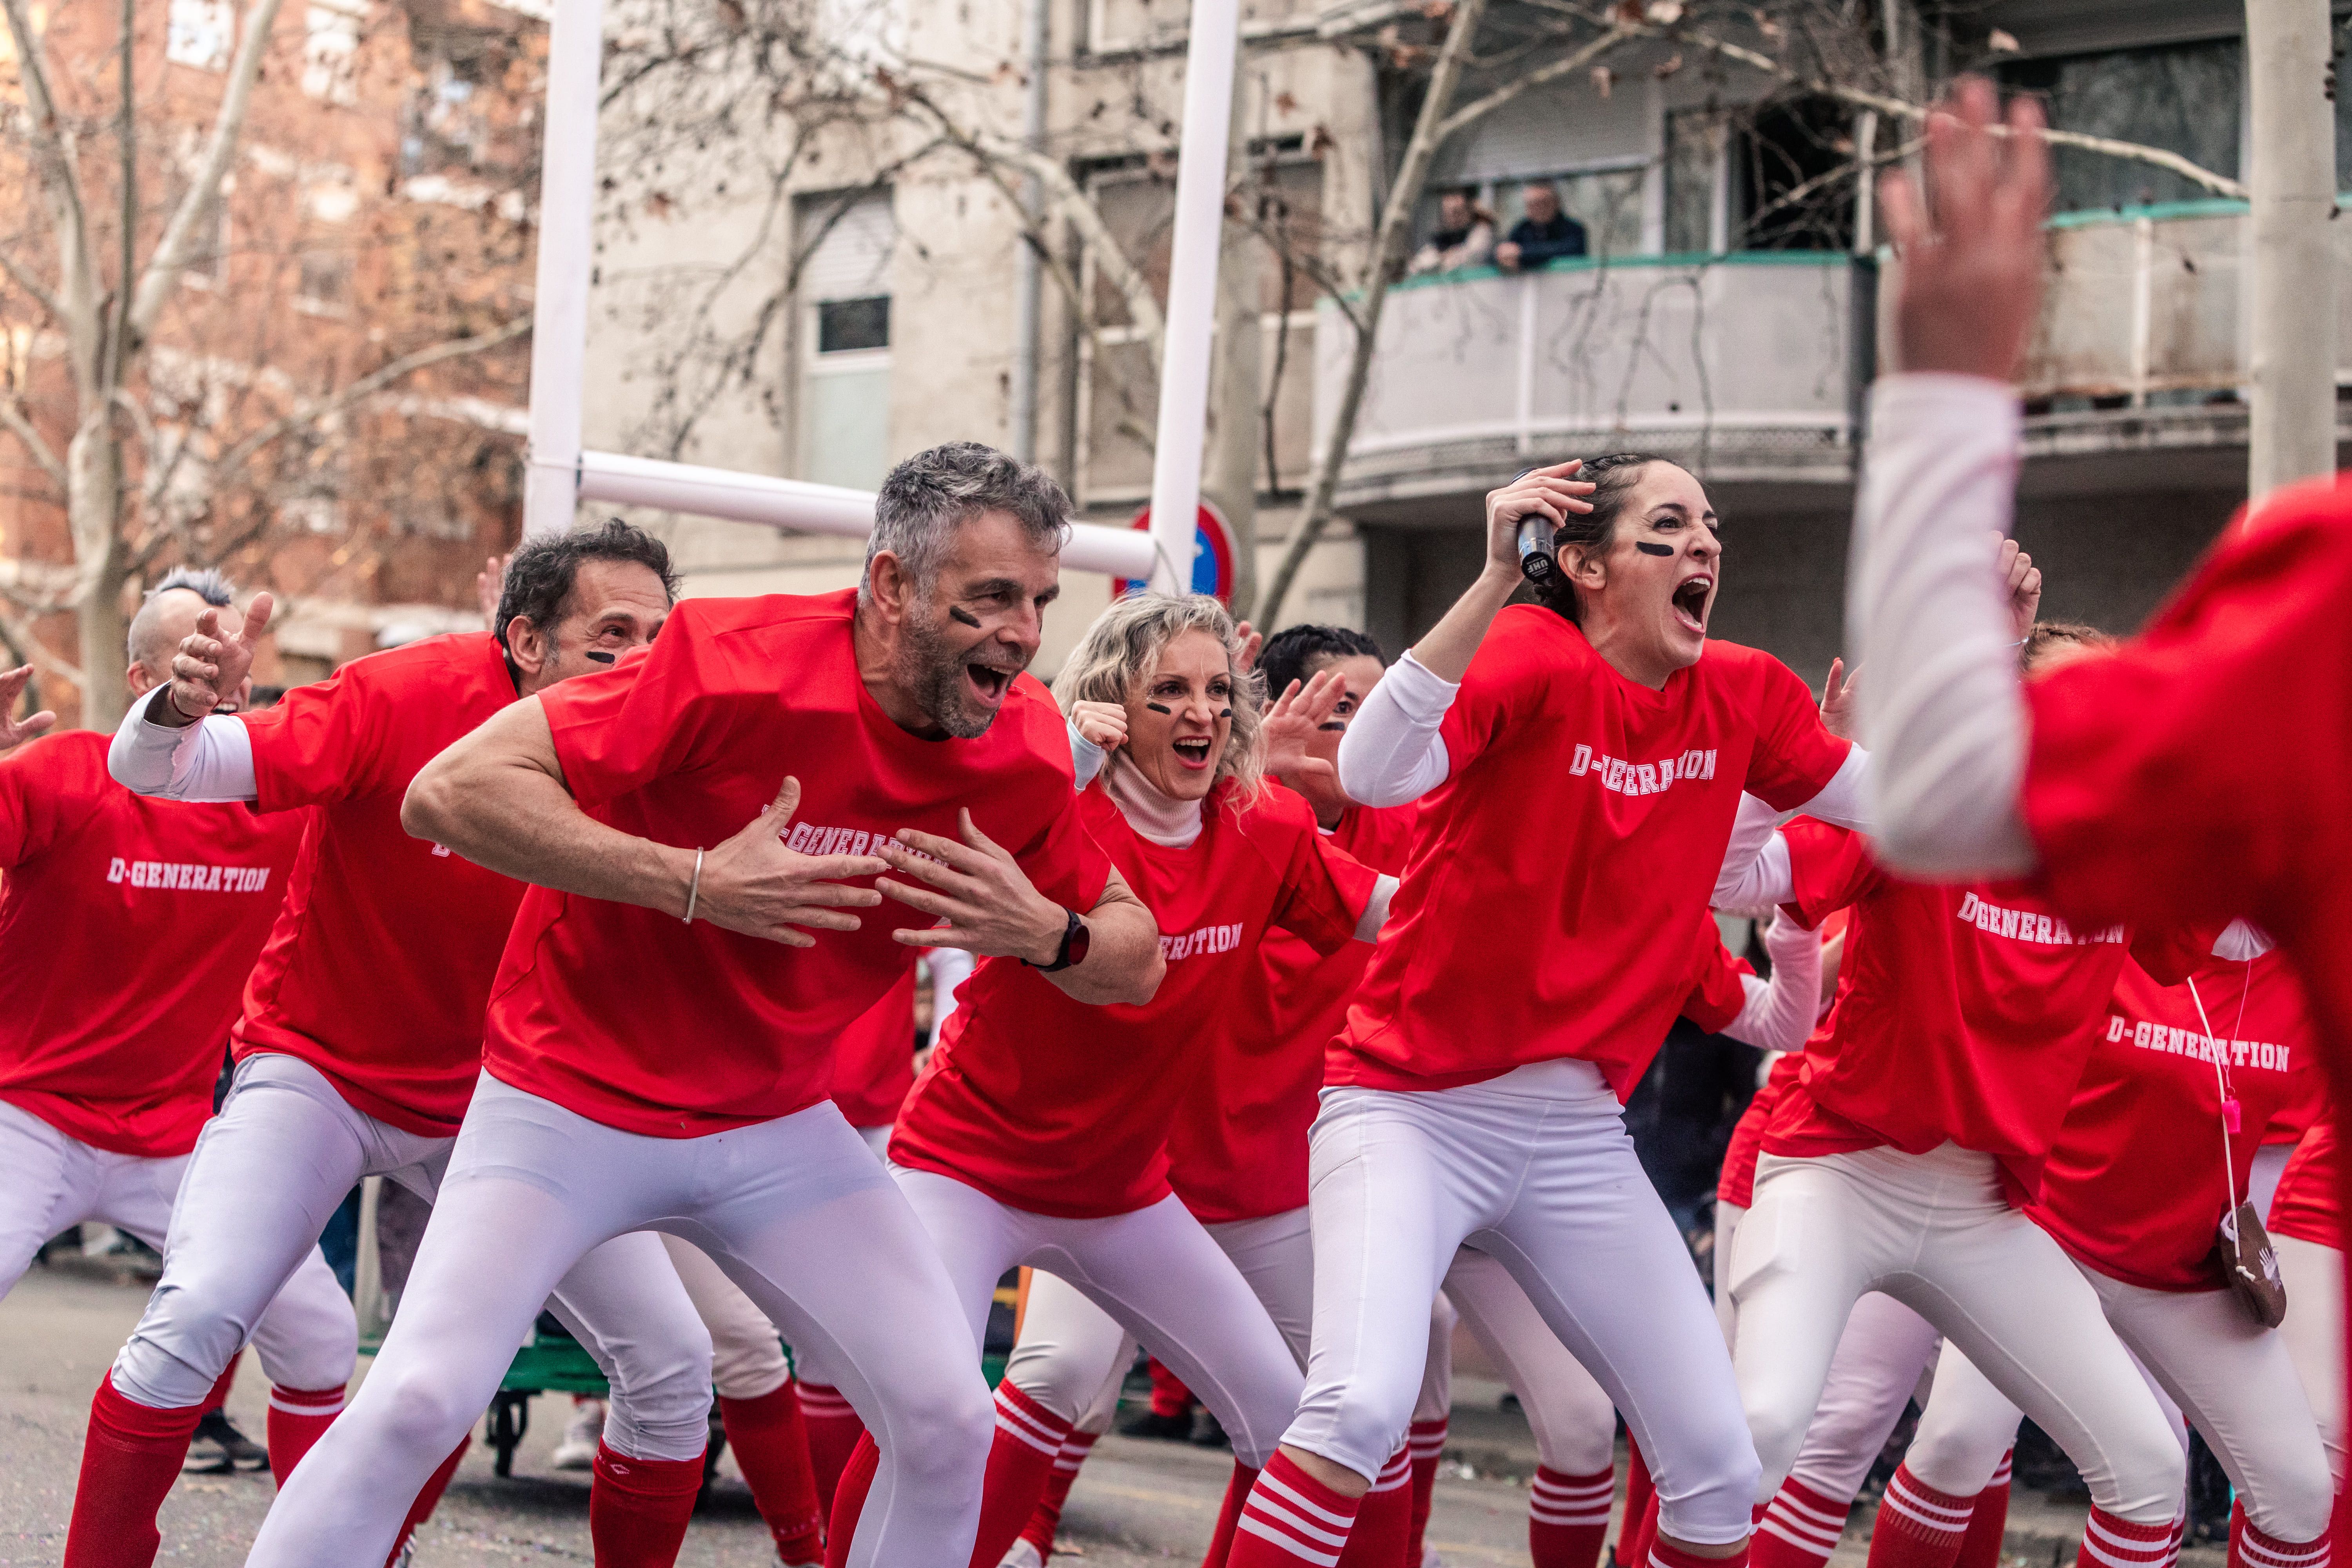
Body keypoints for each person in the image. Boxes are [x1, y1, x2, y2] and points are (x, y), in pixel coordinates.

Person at [246, 442, 1162, 1568]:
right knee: (421, 1398)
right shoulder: (732, 662)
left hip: (773, 1125)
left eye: (1036, 603)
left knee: (945, 1420)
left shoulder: (1018, 745)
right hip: (568, 1098)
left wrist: (1048, 935)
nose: (1021, 636)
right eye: (987, 602)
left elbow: (1137, 956)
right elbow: (452, 791)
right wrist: (693, 884)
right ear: (889, 587)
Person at [1212, 448, 1870, 1568]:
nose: (1706, 545)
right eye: (1669, 527)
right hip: (1408, 1111)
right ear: (1582, 564)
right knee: (1360, 1409)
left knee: (1718, 1465)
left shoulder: (1746, 690)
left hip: (1573, 1133)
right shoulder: (1532, 650)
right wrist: (1486, 584)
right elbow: (1375, 773)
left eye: (1712, 527)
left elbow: (1911, 811)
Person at [1842, 82, 2352, 1460]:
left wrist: (1946, 397)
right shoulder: (2316, 610)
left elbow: (1952, 792)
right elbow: (1936, 805)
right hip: (1942, 1190)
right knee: (1870, 1442)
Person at [73, 523, 717, 1568]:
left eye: (659, 632)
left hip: (510, 1100)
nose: (643, 659)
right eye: (612, 633)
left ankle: (367, 1546)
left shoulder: (674, 736)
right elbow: (158, 766)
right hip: (318, 1070)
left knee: (673, 1362)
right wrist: (179, 706)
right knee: (197, 1312)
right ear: (525, 642)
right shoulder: (402, 695)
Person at [839, 593, 1388, 1568]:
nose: (1201, 714)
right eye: (1168, 691)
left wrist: (1541, 871)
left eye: (1219, 692)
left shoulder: (1267, 823)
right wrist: (1059, 745)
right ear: (1112, 705)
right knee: (934, 1421)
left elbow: (1395, 912)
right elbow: (950, 798)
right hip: (965, 1166)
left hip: (1124, 1191)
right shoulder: (1058, 802)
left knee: (1289, 1423)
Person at [0, 574, 348, 1481]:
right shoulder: (65, 771)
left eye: (235, 657)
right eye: (197, 654)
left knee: (320, 1334)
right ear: (140, 675)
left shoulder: (282, 798)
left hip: (176, 1134)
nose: (221, 674)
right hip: (26, 1112)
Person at [1494, 182, 1588, 273]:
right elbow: (1506, 252)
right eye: (1532, 205)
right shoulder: (1521, 230)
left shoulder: (1573, 228)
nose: (1539, 209)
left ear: (1556, 203)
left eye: (1543, 203)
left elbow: (1570, 249)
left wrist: (1523, 254)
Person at [1408, 190, 1496, 274]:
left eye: (1457, 212)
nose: (1452, 218)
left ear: (1469, 210)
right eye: (1447, 213)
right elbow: (1418, 266)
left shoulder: (1482, 231)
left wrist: (1445, 259)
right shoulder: (1442, 238)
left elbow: (1471, 257)